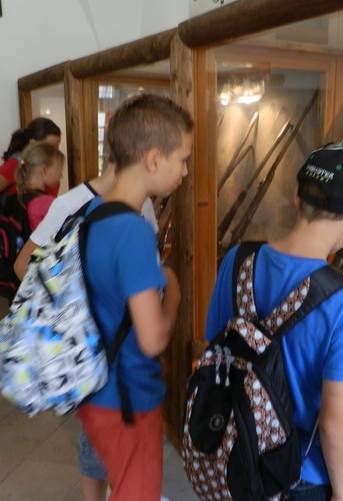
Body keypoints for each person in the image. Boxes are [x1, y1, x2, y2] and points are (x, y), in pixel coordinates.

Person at [205, 143, 343, 500]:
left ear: (296, 196)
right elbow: (334, 421)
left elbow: (215, 346)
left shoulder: (238, 259)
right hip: (297, 477)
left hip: (232, 453)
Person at [14, 159, 159, 501]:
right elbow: (24, 265)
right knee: (98, 442)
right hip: (95, 349)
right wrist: (74, 311)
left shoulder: (143, 203)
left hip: (132, 347)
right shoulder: (70, 204)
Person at [76, 93, 192, 501]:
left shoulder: (94, 213)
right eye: (182, 159)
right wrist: (173, 292)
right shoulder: (133, 231)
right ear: (154, 159)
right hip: (128, 398)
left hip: (96, 390)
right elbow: (152, 339)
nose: (185, 171)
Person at [0, 117, 61, 196]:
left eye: (57, 145)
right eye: (50, 146)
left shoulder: (53, 169)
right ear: (32, 143)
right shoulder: (15, 165)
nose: (56, 150)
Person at [16, 142, 64, 231]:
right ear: (44, 170)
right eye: (59, 170)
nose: (61, 176)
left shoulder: (20, 194)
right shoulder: (46, 203)